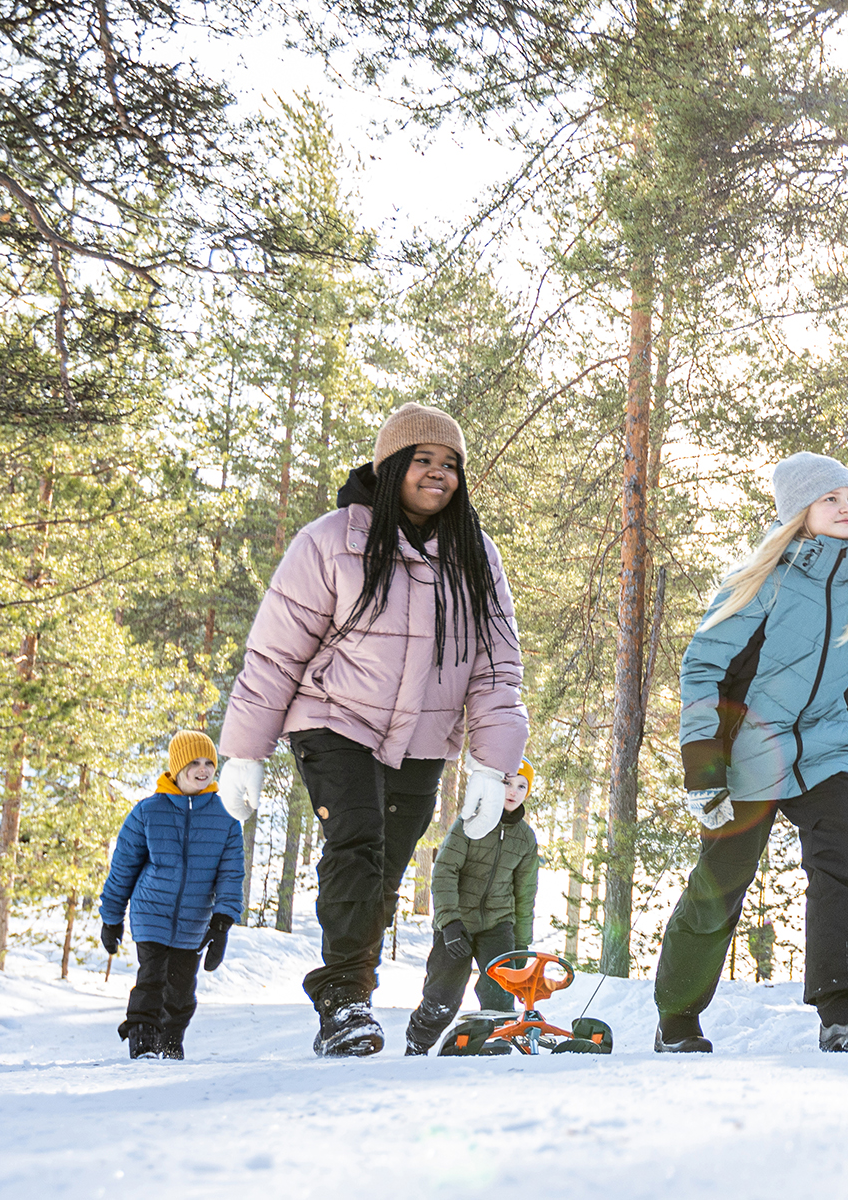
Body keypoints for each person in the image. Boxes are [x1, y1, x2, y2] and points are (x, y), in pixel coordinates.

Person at [216, 403, 530, 1057]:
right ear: (390, 467)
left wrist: (492, 764)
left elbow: (496, 667)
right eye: (423, 460)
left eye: (450, 464)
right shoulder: (332, 541)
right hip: (334, 718)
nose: (438, 473)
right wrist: (244, 751)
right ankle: (345, 1003)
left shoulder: (476, 555)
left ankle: (352, 983)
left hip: (424, 738)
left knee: (384, 869)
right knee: (356, 843)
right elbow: (275, 655)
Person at [654, 452, 848, 1054]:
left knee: (847, 855)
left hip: (823, 746)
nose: (846, 508)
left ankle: (845, 1011)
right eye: (830, 499)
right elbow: (703, 669)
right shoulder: (761, 582)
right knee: (723, 878)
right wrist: (704, 770)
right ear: (798, 512)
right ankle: (677, 1017)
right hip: (752, 746)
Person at [98, 729, 244, 1060]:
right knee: (152, 979)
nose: (203, 769)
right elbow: (123, 868)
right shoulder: (148, 811)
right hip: (151, 912)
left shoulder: (226, 817)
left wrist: (222, 922)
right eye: (194, 762)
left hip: (194, 919)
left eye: (209, 762)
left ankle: (170, 1044)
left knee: (181, 992)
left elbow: (231, 874)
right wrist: (111, 918)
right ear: (177, 767)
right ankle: (143, 1043)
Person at [404, 760, 540, 1055]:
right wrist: (449, 921)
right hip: (458, 922)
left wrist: (521, 944)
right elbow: (444, 871)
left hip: (498, 923)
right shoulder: (470, 823)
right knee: (444, 994)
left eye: (522, 786)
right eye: (508, 783)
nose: (513, 792)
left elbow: (525, 894)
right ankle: (417, 1044)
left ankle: (496, 1044)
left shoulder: (525, 839)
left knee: (501, 993)